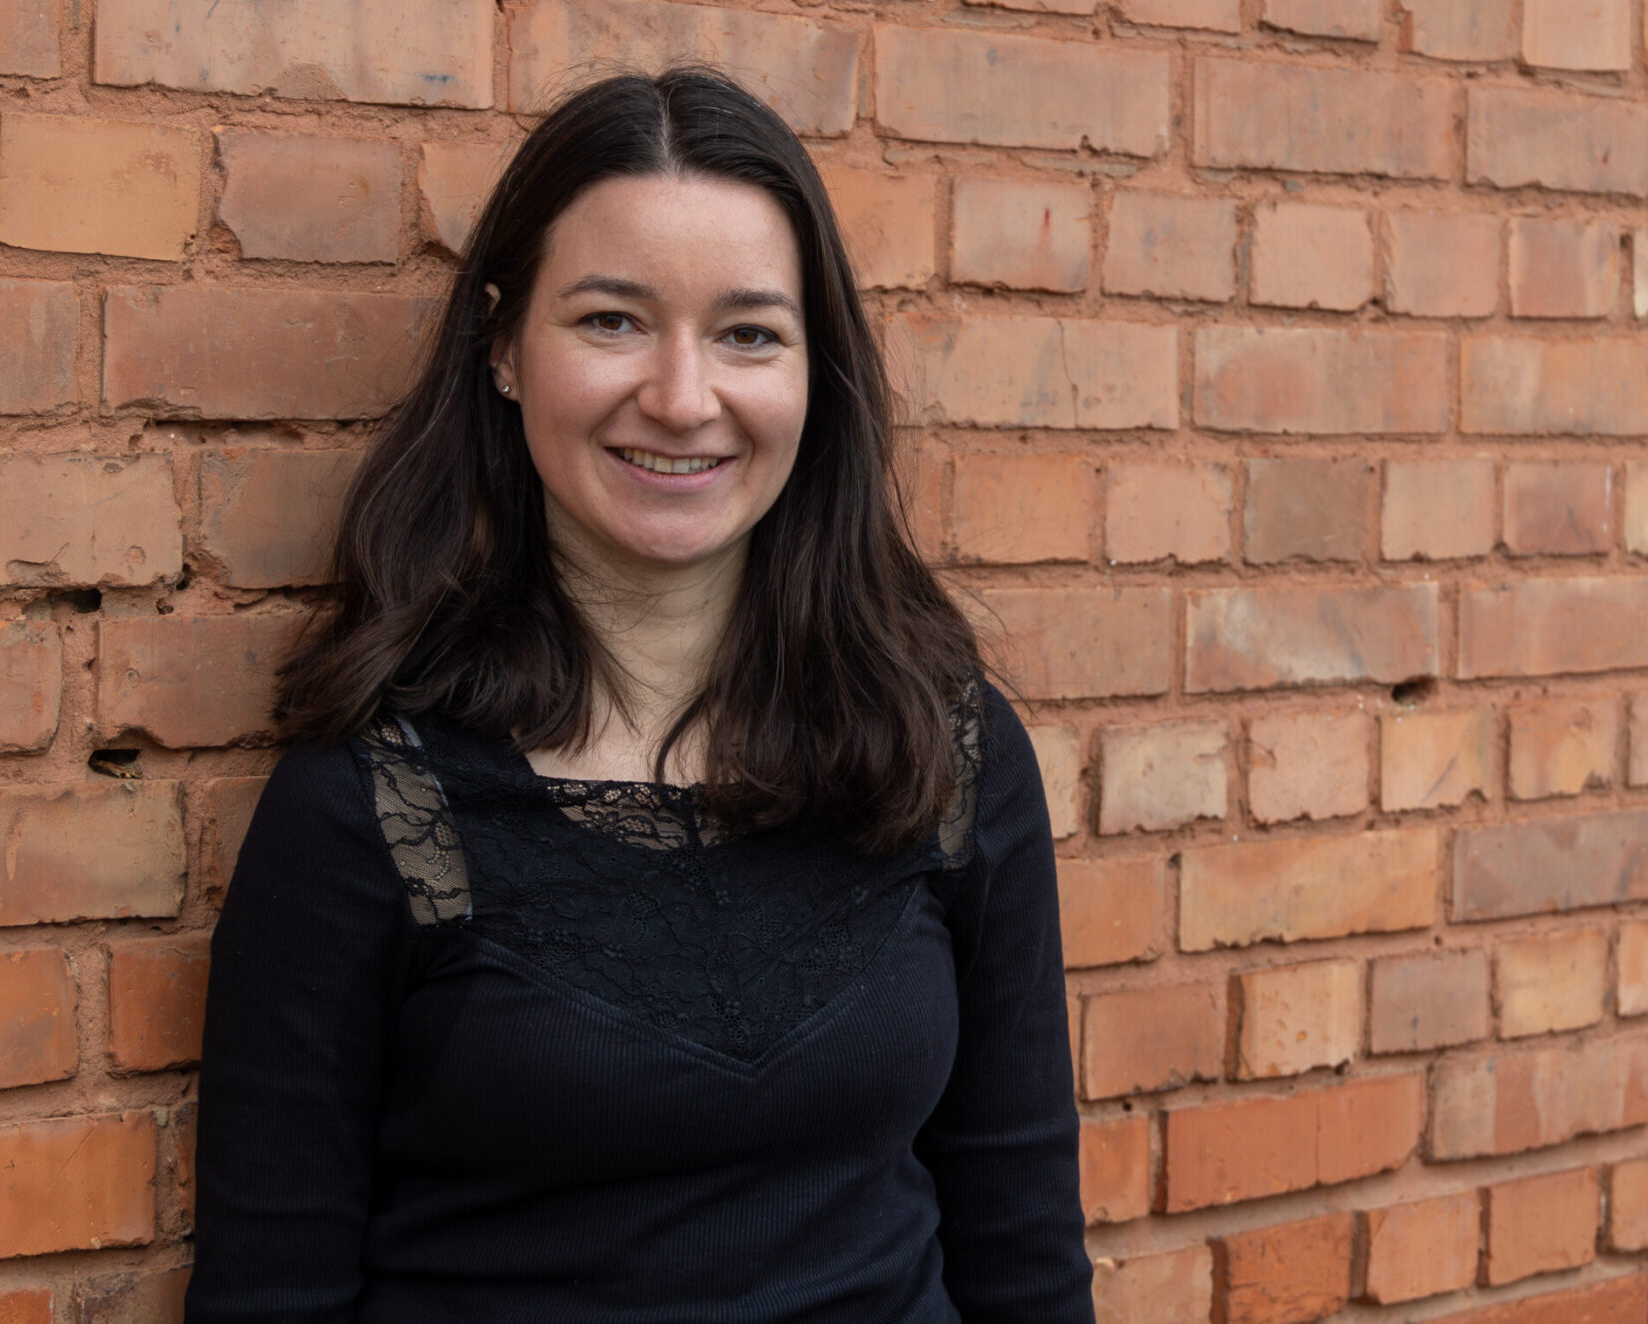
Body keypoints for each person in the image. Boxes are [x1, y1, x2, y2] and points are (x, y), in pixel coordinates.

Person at [184, 66, 1093, 1323]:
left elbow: (1025, 1252)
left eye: (748, 334)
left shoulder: (944, 753)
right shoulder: (374, 808)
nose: (681, 397)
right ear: (504, 347)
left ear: (815, 373)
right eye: (611, 320)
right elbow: (270, 1296)